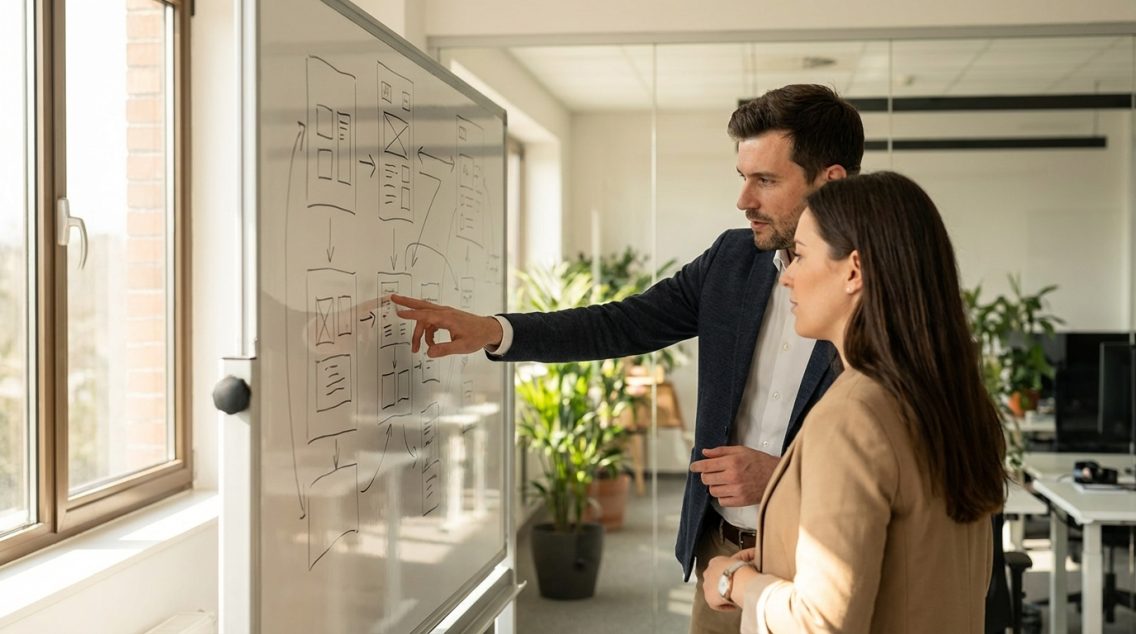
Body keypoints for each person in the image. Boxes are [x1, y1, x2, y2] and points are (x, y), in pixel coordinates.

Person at [390, 85, 1008, 633]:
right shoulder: (732, 262)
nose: (744, 198)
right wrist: (496, 330)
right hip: (724, 553)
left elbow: (886, 471)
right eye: (742, 176)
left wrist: (786, 478)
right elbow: (623, 322)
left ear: (831, 183)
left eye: (765, 180)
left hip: (815, 560)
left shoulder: (892, 324)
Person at [701, 171, 1007, 633]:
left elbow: (821, 624)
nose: (788, 279)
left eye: (800, 257)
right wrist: (779, 556)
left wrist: (735, 582)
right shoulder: (953, 404)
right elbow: (918, 564)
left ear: (854, 271)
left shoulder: (852, 415)